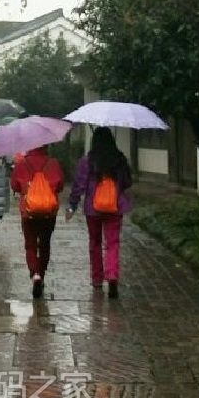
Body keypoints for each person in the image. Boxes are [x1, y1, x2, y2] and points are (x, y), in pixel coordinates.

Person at [66, 127, 133, 298]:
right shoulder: (119, 159)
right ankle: (112, 276)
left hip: (93, 208)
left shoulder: (87, 161)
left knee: (95, 242)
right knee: (113, 243)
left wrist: (72, 205)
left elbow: (79, 185)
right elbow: (127, 182)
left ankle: (97, 278)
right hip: (115, 206)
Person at [11, 145, 65, 297]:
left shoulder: (22, 164)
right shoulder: (53, 163)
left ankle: (35, 274)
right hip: (49, 212)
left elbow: (14, 185)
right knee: (45, 244)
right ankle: (41, 273)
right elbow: (60, 186)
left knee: (30, 244)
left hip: (28, 211)